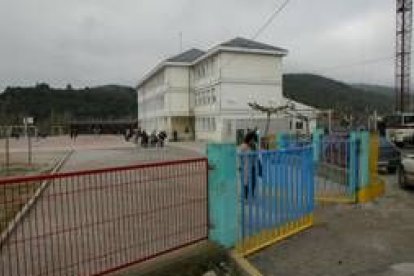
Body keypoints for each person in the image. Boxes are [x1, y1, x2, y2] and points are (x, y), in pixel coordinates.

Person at [239, 131, 259, 199]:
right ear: (249, 139)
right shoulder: (243, 146)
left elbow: (256, 156)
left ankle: (252, 194)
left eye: (254, 140)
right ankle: (245, 196)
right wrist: (240, 166)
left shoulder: (253, 146)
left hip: (253, 166)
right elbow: (240, 157)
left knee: (253, 181)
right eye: (253, 140)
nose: (253, 141)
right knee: (246, 182)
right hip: (246, 166)